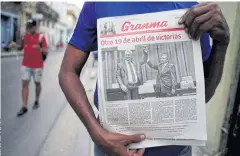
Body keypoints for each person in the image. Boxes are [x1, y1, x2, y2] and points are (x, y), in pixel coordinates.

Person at [59, 2, 229, 156]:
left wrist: (222, 44)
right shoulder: (98, 4)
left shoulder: (194, 13)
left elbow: (202, 96)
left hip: (176, 151)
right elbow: (67, 72)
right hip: (111, 150)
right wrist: (98, 134)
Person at [9, 19, 48, 116]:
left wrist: (41, 49)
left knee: (37, 83)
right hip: (25, 65)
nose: (28, 29)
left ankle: (36, 100)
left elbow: (46, 51)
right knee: (25, 85)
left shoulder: (41, 37)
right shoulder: (24, 36)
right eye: (28, 27)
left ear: (35, 27)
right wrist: (15, 45)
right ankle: (24, 106)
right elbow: (21, 47)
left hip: (38, 66)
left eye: (30, 27)